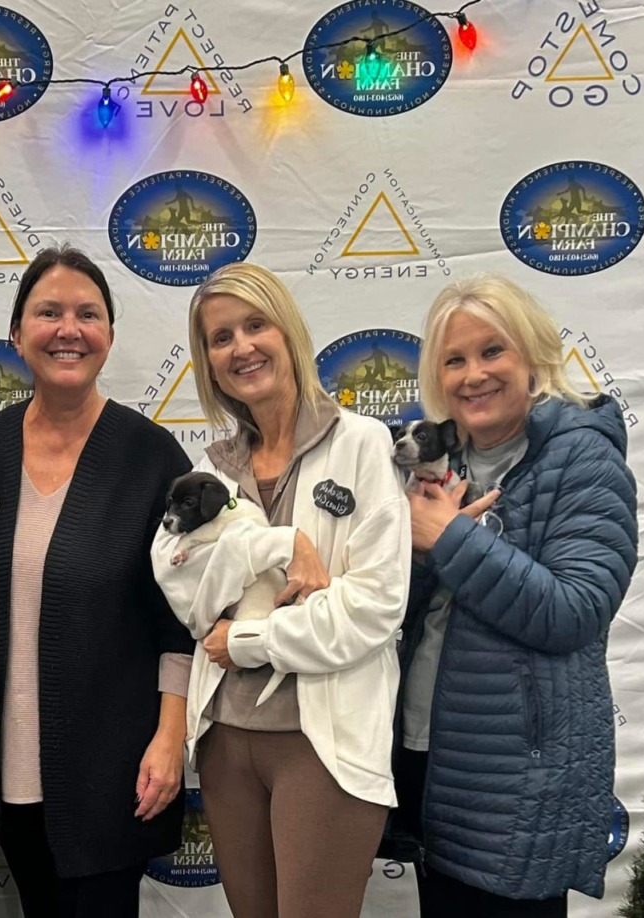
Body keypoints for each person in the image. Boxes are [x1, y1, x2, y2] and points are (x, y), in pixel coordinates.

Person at [151, 262, 411, 918]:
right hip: (225, 740)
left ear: (287, 331)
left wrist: (246, 639)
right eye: (220, 337)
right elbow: (186, 591)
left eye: (254, 325)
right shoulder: (211, 468)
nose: (241, 347)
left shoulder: (362, 444)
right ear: (207, 361)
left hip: (321, 742)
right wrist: (275, 548)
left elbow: (374, 607)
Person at [392, 274, 638, 916]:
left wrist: (448, 538)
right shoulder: (444, 469)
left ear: (532, 356)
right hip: (429, 756)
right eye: (454, 359)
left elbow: (574, 611)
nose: (474, 374)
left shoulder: (583, 458)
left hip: (521, 773)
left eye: (492, 351)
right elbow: (410, 612)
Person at [0, 245, 194, 918]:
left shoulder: (151, 456)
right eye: (48, 312)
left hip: (112, 770)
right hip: (6, 773)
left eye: (88, 314)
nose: (69, 329)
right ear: (17, 335)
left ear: (110, 337)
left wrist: (168, 737)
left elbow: (179, 616)